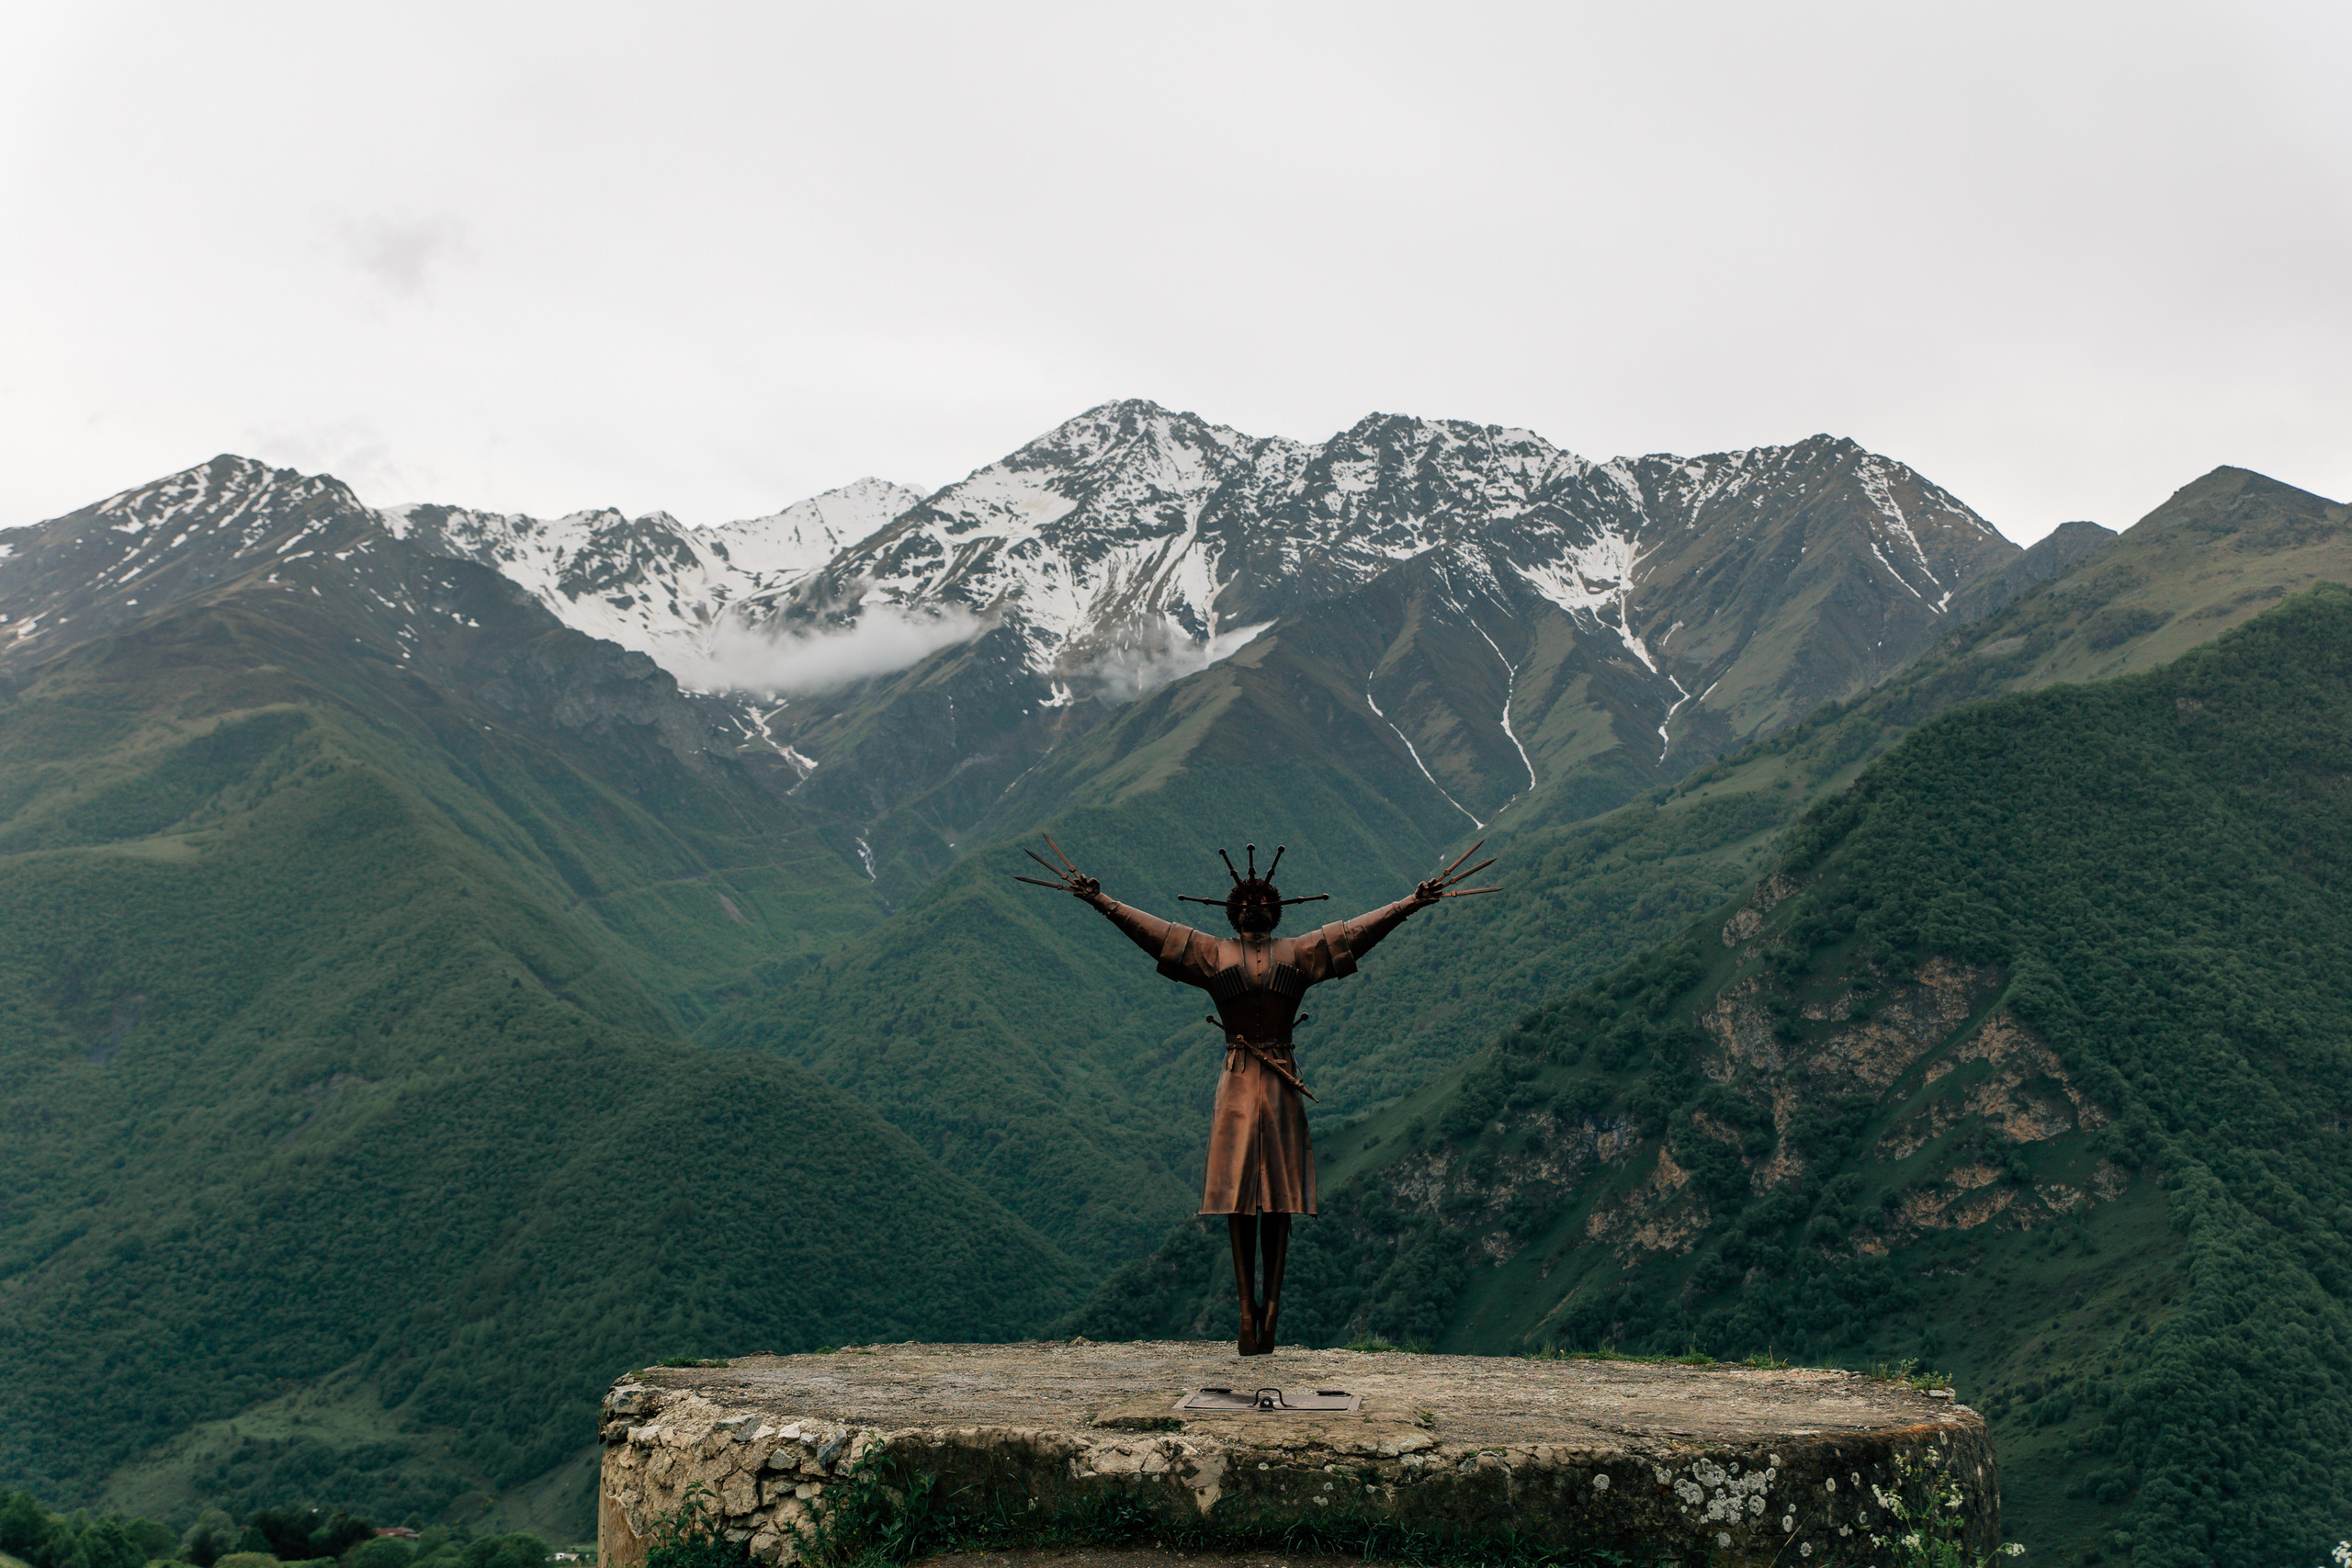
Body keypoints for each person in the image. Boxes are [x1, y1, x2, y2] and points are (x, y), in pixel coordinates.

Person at [1022, 840, 1491, 1356]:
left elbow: (1353, 934)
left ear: (1272, 908)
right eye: (1246, 902)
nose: (1253, 908)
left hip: (1265, 1077)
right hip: (1250, 1075)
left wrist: (1409, 903)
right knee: (1240, 1198)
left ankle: (1267, 1311)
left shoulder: (1270, 953)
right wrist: (1102, 901)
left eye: (1260, 900)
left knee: (1277, 1199)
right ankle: (1251, 1310)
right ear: (1234, 910)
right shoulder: (1227, 952)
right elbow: (1157, 934)